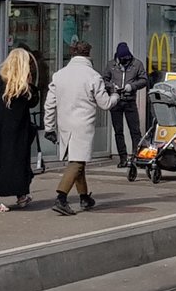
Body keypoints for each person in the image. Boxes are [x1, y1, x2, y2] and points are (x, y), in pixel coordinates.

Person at [43, 41, 119, 215]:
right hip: (83, 124)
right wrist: (115, 95)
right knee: (77, 162)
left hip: (64, 124)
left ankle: (84, 197)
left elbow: (49, 104)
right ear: (89, 54)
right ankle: (61, 197)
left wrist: (49, 127)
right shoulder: (93, 76)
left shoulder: (59, 75)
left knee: (78, 161)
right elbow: (105, 104)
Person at [0, 48, 38, 213]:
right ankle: (2, 200)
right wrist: (31, 82)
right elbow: (33, 102)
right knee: (18, 163)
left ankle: (11, 197)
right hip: (16, 133)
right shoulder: (23, 87)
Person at [102, 41, 149, 167]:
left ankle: (137, 157)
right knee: (118, 131)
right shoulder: (111, 64)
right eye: (122, 59)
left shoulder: (137, 63)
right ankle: (123, 158)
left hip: (130, 101)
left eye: (127, 59)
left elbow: (144, 79)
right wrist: (112, 86)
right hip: (116, 100)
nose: (125, 61)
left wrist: (131, 86)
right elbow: (104, 79)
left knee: (135, 131)